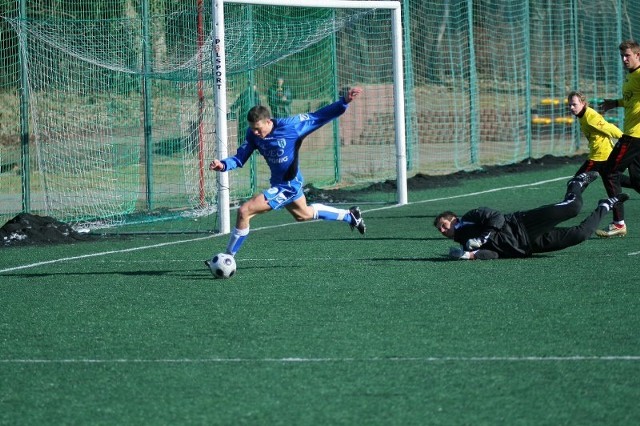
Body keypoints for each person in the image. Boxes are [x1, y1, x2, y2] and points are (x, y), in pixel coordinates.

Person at [206, 86, 366, 271]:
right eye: (252, 129)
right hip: (281, 183)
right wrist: (223, 165)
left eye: (258, 129)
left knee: (244, 211)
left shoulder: (291, 126)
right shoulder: (253, 135)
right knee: (303, 214)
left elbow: (319, 116)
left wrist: (343, 102)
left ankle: (228, 257)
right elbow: (240, 158)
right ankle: (350, 216)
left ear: (268, 122)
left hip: (288, 185)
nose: (255, 133)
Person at [433, 172, 629, 260]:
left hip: (523, 224)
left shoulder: (469, 217)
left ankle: (575, 184)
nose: (442, 231)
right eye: (440, 229)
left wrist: (483, 237)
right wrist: (470, 255)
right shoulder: (465, 243)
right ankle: (605, 205)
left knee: (574, 207)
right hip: (528, 246)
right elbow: (494, 254)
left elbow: (496, 217)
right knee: (581, 235)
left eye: (443, 225)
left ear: (454, 219)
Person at [567, 90, 635, 229]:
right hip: (602, 156)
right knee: (618, 182)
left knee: (575, 182)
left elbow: (610, 128)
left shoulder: (590, 116)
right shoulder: (583, 115)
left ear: (583, 103)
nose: (571, 107)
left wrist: (627, 142)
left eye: (574, 104)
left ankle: (567, 207)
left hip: (599, 158)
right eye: (569, 105)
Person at [598, 39, 640, 237]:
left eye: (628, 55)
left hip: (634, 136)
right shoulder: (631, 76)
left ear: (638, 55)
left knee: (609, 172)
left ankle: (618, 223)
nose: (624, 59)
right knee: (637, 180)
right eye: (622, 56)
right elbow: (632, 100)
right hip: (635, 135)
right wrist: (614, 103)